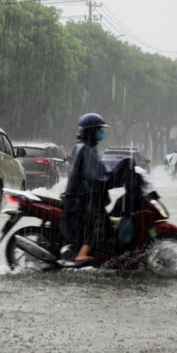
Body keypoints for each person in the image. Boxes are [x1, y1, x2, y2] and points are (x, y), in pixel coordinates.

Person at [62, 113, 111, 265]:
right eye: (98, 130)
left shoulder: (86, 147)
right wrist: (109, 179)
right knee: (98, 222)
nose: (101, 133)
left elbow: (99, 168)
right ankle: (81, 254)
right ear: (90, 131)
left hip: (81, 195)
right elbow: (93, 174)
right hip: (81, 198)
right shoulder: (85, 149)